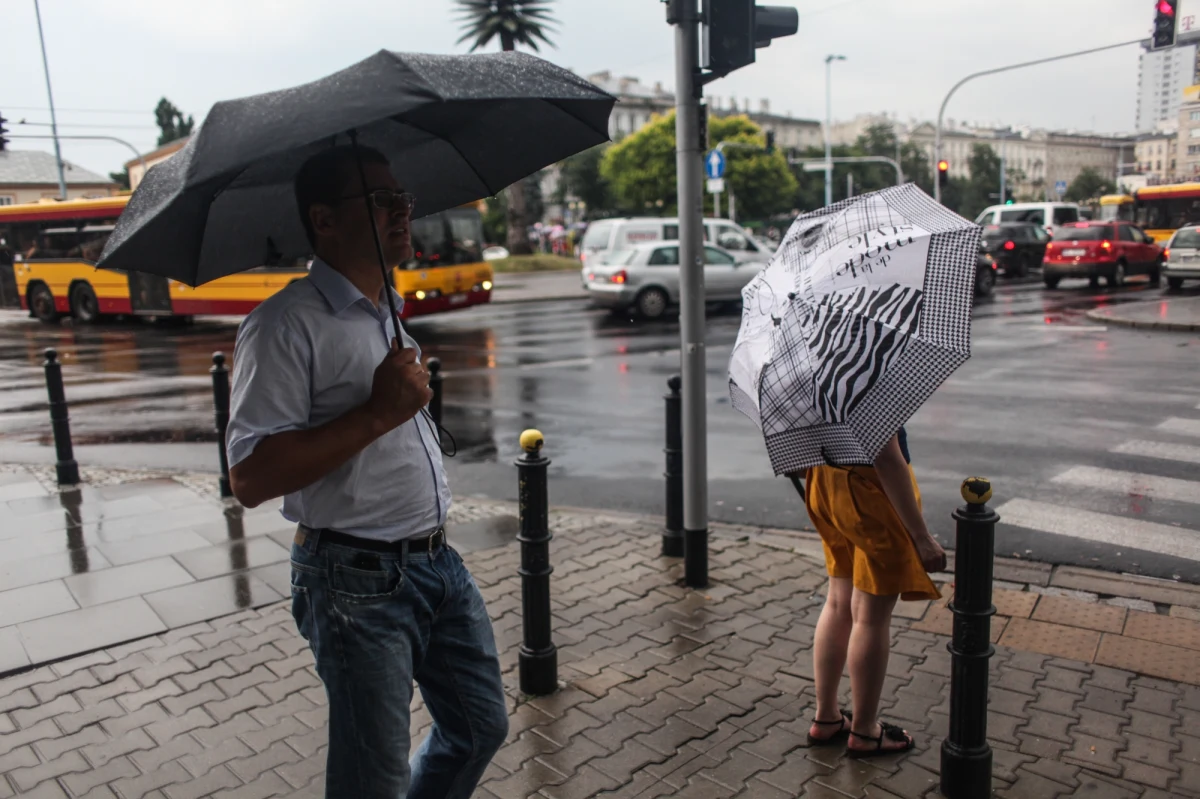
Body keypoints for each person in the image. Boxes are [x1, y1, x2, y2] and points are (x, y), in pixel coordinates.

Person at [226, 144, 508, 798]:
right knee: (372, 778)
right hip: (354, 578)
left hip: (435, 561)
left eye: (401, 198)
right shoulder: (284, 325)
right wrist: (379, 412)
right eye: (380, 201)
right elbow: (250, 477)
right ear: (324, 220)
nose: (402, 211)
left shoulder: (386, 308)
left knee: (478, 728)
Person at [799, 426, 946, 757]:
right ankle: (865, 731)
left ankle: (827, 717)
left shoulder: (814, 387)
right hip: (870, 491)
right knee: (870, 617)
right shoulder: (866, 388)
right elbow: (887, 457)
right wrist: (921, 536)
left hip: (826, 480)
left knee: (838, 603)